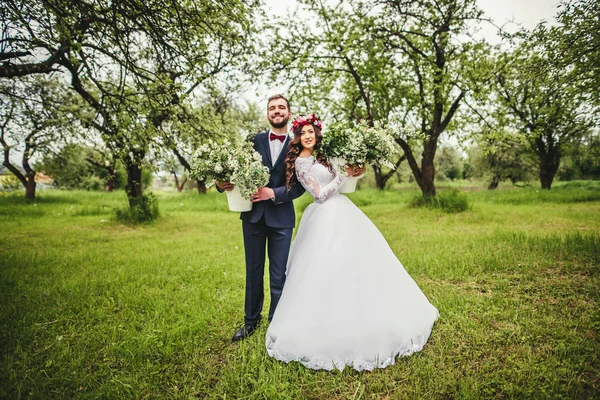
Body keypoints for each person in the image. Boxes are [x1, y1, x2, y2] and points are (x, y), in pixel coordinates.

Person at [265, 114, 439, 371]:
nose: (308, 136)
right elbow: (319, 195)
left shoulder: (325, 156)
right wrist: (341, 177)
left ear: (317, 133)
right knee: (325, 269)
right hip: (323, 217)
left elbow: (348, 175)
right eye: (303, 133)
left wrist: (356, 170)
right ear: (298, 138)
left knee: (359, 263)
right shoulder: (301, 163)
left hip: (344, 211)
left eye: (311, 132)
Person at [216, 94, 306, 342]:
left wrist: (272, 193)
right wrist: (220, 182)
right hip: (253, 218)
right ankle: (250, 323)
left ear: (289, 112)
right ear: (267, 114)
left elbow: (300, 186)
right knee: (253, 272)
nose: (277, 111)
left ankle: (276, 325)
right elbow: (232, 170)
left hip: (282, 219)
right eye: (272, 108)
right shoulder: (253, 141)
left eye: (281, 107)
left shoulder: (299, 145)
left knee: (278, 276)